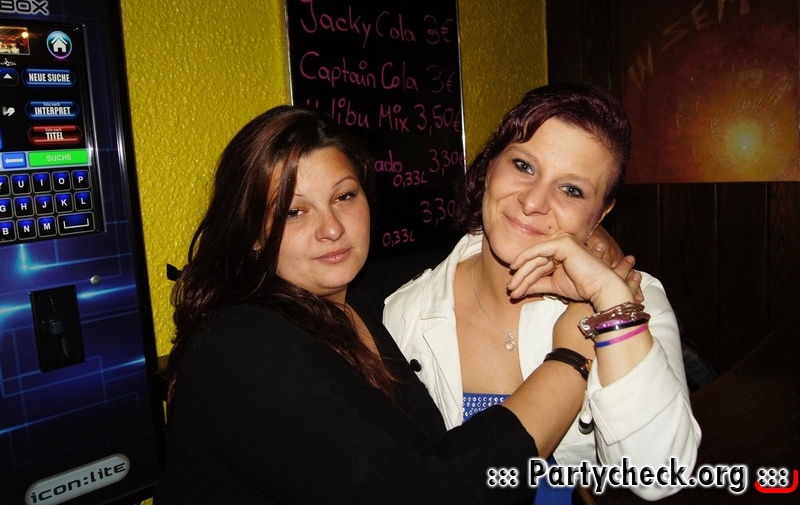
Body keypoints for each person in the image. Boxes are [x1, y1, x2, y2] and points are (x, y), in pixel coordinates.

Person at [155, 104, 643, 504]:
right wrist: (571, 355)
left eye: (345, 197)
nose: (332, 228)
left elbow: (464, 257)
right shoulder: (241, 349)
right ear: (252, 232)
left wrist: (585, 236)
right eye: (295, 211)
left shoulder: (357, 296)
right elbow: (434, 493)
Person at [384, 83, 702, 501]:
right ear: (490, 166)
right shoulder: (404, 314)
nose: (534, 202)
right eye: (523, 165)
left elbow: (658, 476)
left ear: (601, 214)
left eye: (572, 190)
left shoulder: (630, 299)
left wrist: (608, 303)